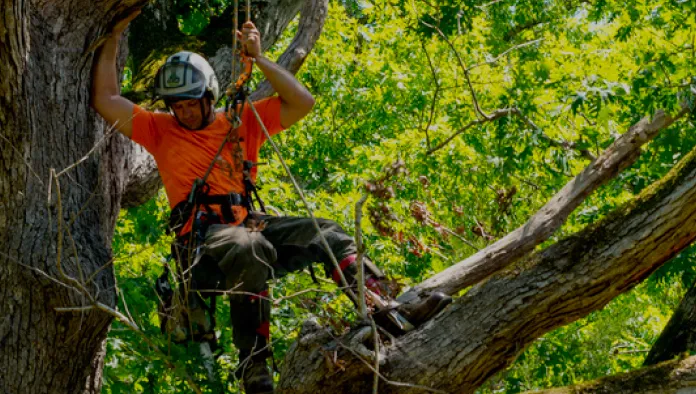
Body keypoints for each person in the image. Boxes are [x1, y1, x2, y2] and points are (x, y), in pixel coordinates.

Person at [92, 11, 451, 394]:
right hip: (202, 246)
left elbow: (302, 101)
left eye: (191, 103)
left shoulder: (240, 121)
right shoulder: (158, 128)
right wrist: (112, 35)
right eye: (176, 105)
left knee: (325, 232)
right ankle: (254, 365)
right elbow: (106, 99)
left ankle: (384, 307)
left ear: (209, 96)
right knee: (249, 246)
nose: (183, 112)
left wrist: (260, 59)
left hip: (249, 227)